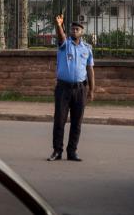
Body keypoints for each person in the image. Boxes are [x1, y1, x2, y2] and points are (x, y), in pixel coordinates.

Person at [47, 13, 94, 162]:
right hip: (63, 88)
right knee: (59, 120)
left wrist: (92, 89)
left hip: (80, 89)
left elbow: (90, 69)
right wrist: (59, 25)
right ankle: (57, 151)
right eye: (72, 29)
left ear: (82, 32)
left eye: (77, 29)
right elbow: (61, 37)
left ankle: (72, 151)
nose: (74, 31)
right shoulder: (64, 44)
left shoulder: (87, 48)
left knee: (77, 122)